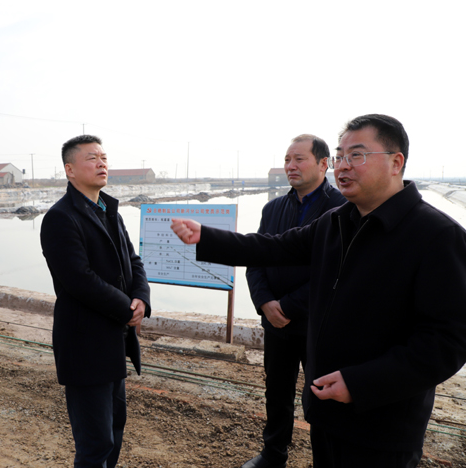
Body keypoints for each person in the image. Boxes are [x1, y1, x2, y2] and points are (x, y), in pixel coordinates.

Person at [171, 114, 466, 468]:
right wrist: (206, 237)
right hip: (326, 408)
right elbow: (272, 247)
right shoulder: (335, 222)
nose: (343, 166)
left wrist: (359, 383)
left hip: (382, 425)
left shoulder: (437, 235)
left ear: (395, 162)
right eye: (340, 156)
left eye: (356, 155)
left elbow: (447, 342)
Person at [40, 135, 151, 468]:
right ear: (70, 169)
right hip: (85, 344)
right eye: (92, 158)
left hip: (114, 340)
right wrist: (126, 309)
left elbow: (133, 261)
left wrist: (141, 298)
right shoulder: (60, 217)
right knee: (94, 443)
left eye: (104, 157)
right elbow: (79, 279)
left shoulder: (109, 211)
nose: (102, 163)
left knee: (114, 429)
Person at [242, 135, 346, 468]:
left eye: (299, 159)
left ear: (323, 164)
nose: (290, 166)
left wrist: (287, 306)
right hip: (276, 323)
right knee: (277, 391)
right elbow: (256, 259)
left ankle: (325, 461)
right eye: (287, 160)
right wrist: (265, 302)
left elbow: (336, 272)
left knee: (322, 397)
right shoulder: (273, 208)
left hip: (320, 325)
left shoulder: (343, 208)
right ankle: (273, 455)